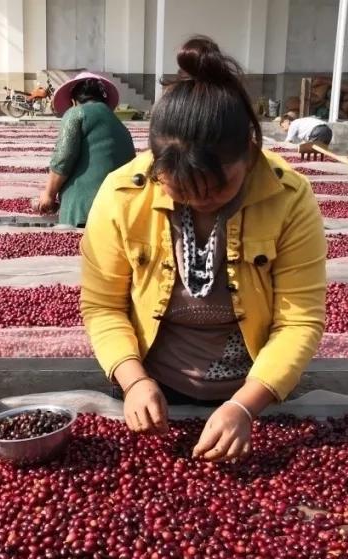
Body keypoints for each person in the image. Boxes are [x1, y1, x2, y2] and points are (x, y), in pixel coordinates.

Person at [80, 36, 327, 463]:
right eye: (181, 191)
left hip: (255, 392)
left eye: (217, 188)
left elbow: (299, 320)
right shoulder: (122, 194)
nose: (200, 202)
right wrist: (134, 381)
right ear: (157, 166)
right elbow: (103, 306)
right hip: (153, 387)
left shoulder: (289, 197)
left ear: (250, 150)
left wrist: (244, 406)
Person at [33, 72, 136, 228]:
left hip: (85, 210)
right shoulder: (117, 123)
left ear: (74, 101)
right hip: (120, 209)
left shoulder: (76, 113)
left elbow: (63, 158)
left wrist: (48, 195)